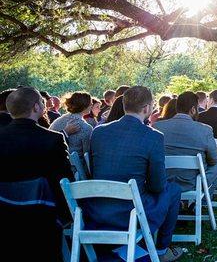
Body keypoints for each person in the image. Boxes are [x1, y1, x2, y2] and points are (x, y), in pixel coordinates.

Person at [89, 86, 183, 261]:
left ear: (124, 105)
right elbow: (157, 186)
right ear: (147, 108)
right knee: (173, 190)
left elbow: (95, 170)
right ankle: (161, 250)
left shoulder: (98, 132)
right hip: (129, 212)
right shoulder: (153, 136)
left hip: (96, 209)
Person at [0, 87, 75, 262]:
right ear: (36, 108)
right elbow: (65, 182)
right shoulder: (53, 139)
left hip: (4, 217)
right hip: (42, 220)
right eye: (42, 102)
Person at [153, 91, 217, 194]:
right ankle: (202, 200)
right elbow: (214, 160)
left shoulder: (157, 127)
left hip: (164, 179)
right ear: (193, 109)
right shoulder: (205, 130)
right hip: (193, 183)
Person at [49, 92, 94, 158]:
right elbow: (87, 156)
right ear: (84, 105)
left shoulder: (57, 121)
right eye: (90, 103)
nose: (92, 104)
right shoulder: (86, 128)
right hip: (76, 166)